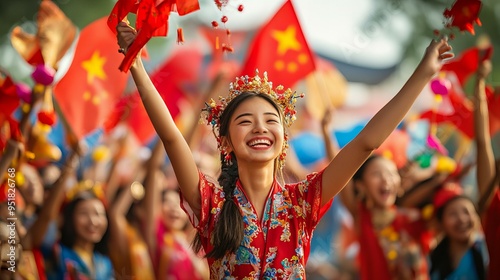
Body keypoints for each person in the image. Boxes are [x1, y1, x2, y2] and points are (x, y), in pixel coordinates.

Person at [116, 21, 453, 279]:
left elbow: (367, 142)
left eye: (270, 120)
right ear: (226, 142)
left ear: (283, 138)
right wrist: (137, 68)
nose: (260, 128)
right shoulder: (211, 203)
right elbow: (173, 138)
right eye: (246, 121)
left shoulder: (303, 201)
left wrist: (422, 75)